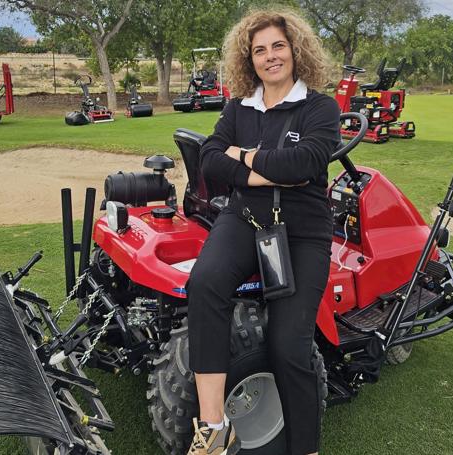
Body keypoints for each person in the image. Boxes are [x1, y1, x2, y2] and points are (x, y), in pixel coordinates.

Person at [185, 8, 341, 455]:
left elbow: (304, 165)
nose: (270, 56)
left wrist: (245, 157)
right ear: (247, 59)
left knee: (288, 346)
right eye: (259, 50)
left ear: (295, 49)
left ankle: (305, 448)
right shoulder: (239, 108)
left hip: (302, 233)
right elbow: (211, 161)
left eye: (278, 46)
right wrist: (266, 170)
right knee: (206, 282)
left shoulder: (320, 107)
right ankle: (214, 429)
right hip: (244, 220)